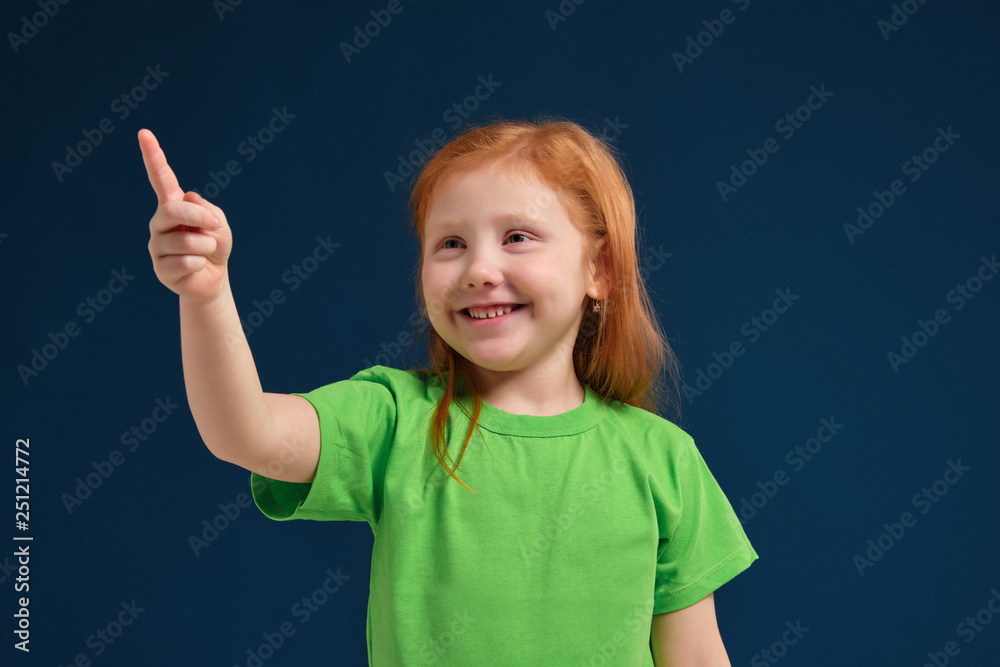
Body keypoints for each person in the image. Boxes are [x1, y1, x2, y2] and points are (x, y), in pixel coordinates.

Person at [139, 117, 758, 666]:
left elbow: (696, 655)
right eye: (451, 243)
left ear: (599, 270)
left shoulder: (664, 459)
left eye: (517, 237)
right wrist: (206, 295)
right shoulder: (393, 420)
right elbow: (244, 433)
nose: (480, 270)